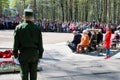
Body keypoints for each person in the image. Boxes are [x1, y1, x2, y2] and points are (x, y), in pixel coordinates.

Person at [12, 9, 44, 80]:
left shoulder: (18, 28)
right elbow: (40, 44)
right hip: (34, 54)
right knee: (33, 74)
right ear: (32, 17)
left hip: (23, 54)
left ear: (23, 16)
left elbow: (15, 44)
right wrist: (40, 55)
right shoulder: (37, 28)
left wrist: (15, 55)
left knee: (24, 74)